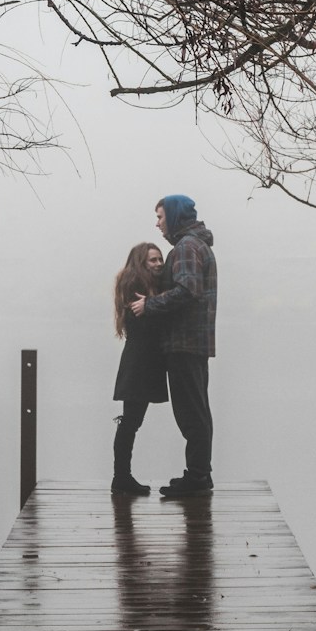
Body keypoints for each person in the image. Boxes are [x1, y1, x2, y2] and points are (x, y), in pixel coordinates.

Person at [130, 194, 216, 499]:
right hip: (191, 343)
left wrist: (150, 304)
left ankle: (197, 477)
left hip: (185, 343)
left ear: (176, 216)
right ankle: (199, 474)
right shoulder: (193, 245)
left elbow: (187, 291)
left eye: (160, 217)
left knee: (191, 412)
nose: (157, 224)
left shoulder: (187, 247)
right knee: (196, 410)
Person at [110, 242, 167, 495]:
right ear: (140, 263)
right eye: (152, 261)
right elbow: (145, 325)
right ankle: (121, 477)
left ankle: (122, 477)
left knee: (131, 421)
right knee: (130, 421)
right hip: (139, 362)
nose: (158, 264)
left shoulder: (147, 287)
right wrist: (157, 304)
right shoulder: (135, 286)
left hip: (142, 361)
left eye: (159, 260)